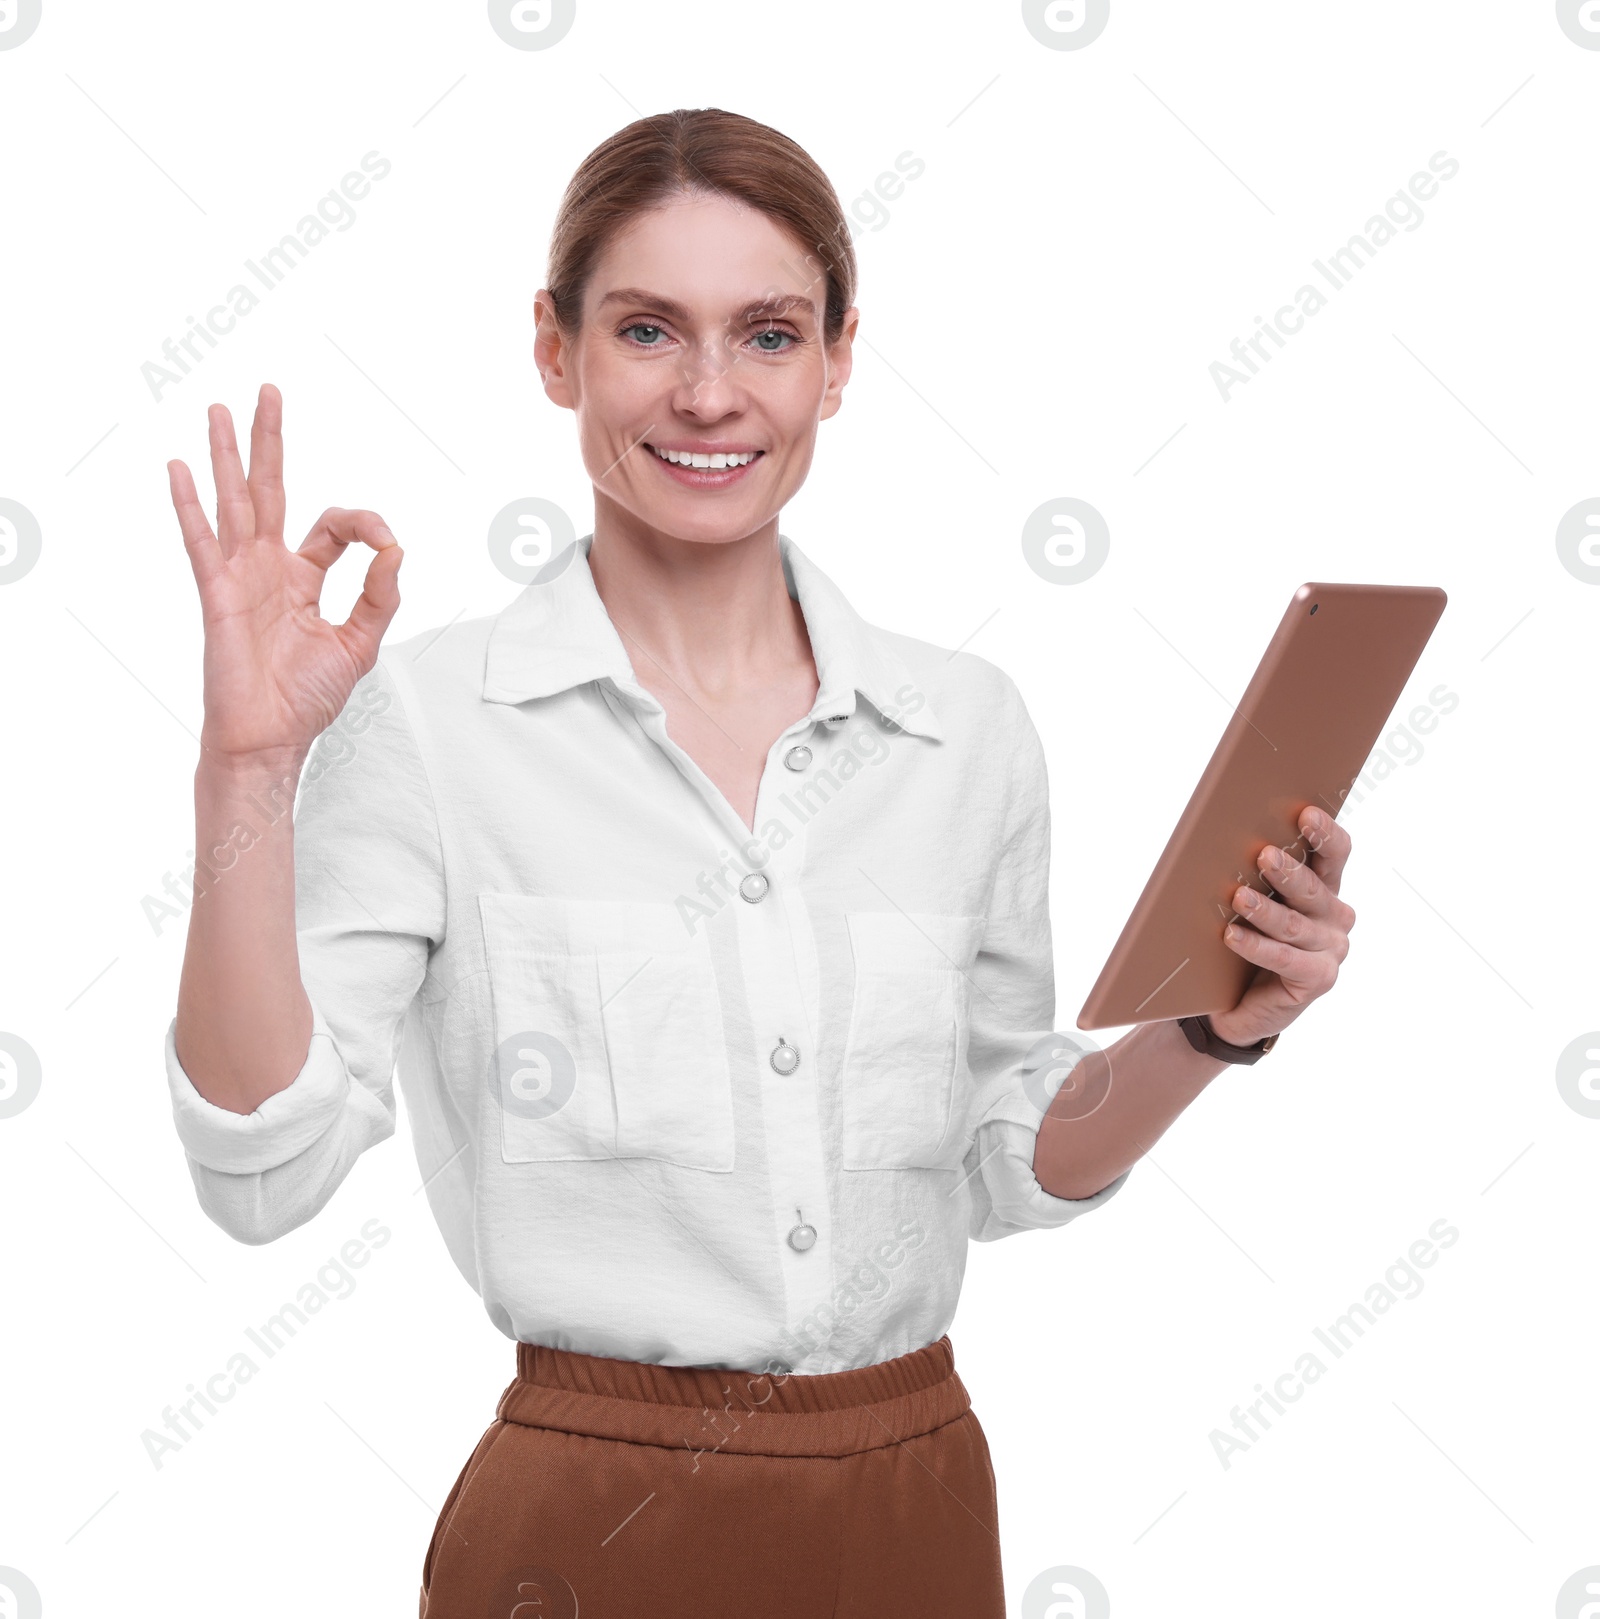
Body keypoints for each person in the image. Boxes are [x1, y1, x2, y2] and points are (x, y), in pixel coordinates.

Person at [161, 107, 1356, 1619]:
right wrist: (248, 776)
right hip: (588, 1531)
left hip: (914, 1508)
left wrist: (1211, 1028)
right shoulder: (429, 724)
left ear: (841, 361)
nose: (711, 394)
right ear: (555, 352)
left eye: (771, 334)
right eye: (649, 329)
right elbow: (264, 1174)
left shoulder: (964, 733)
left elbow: (1008, 1152)